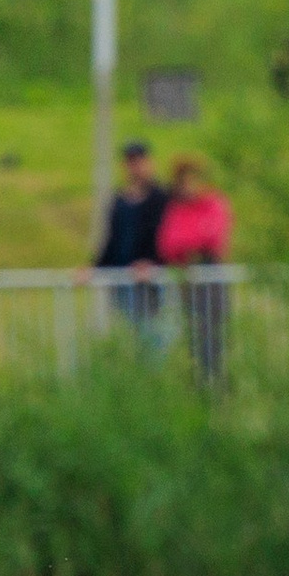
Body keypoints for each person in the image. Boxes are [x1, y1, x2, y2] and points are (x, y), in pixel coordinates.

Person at [157, 156, 234, 388]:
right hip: (187, 279)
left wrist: (189, 245)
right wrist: (189, 246)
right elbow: (167, 244)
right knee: (194, 336)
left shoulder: (214, 204)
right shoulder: (177, 210)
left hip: (210, 274)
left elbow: (212, 237)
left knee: (215, 335)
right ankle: (199, 388)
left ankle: (219, 388)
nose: (188, 186)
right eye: (183, 181)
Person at [89, 138, 169, 345]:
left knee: (152, 333)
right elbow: (112, 239)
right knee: (128, 334)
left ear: (149, 162)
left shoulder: (161, 197)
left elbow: (164, 236)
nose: (135, 166)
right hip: (123, 276)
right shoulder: (120, 199)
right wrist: (95, 268)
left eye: (139, 161)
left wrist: (152, 262)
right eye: (130, 162)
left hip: (150, 279)